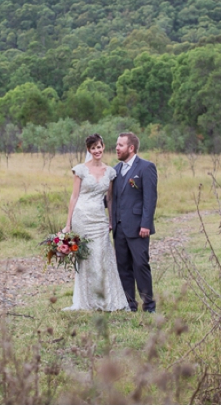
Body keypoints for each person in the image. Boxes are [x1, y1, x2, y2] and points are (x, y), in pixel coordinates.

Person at [62, 134, 129, 311]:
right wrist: (68, 224)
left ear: (103, 147)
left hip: (99, 218)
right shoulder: (80, 170)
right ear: (88, 150)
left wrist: (111, 221)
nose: (97, 150)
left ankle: (106, 299)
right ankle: (87, 301)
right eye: (93, 148)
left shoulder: (110, 172)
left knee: (102, 255)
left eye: (99, 147)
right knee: (86, 258)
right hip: (82, 216)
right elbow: (74, 196)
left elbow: (110, 199)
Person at [111, 132, 157, 313]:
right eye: (116, 144)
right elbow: (112, 200)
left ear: (131, 148)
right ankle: (130, 304)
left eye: (120, 145)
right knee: (123, 266)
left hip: (138, 227)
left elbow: (150, 199)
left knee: (141, 265)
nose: (116, 148)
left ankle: (149, 306)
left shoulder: (146, 168)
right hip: (119, 227)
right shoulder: (115, 170)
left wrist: (146, 224)